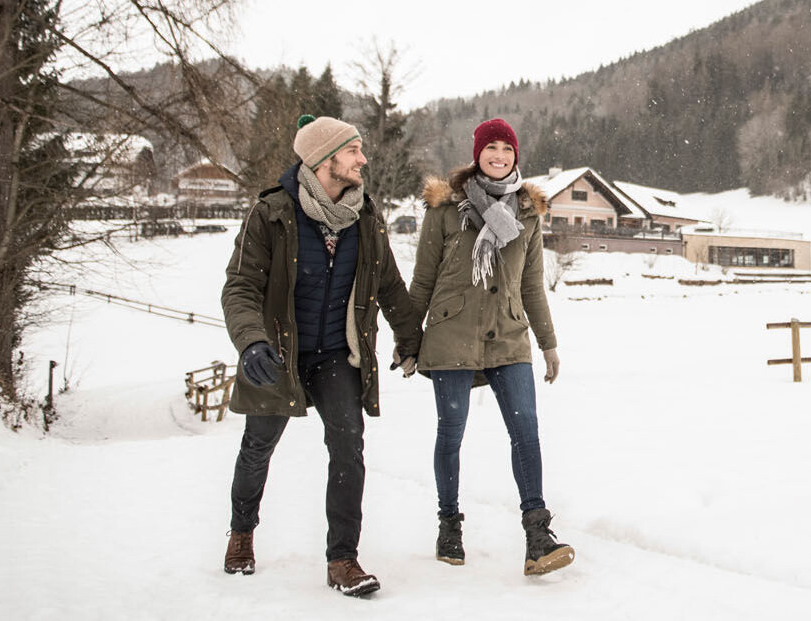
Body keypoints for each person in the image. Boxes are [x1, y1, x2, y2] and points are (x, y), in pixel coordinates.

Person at [220, 114, 421, 597]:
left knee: (349, 446)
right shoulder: (271, 213)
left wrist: (410, 337)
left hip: (336, 354)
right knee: (257, 447)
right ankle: (242, 532)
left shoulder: (365, 215)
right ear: (323, 159)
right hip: (278, 352)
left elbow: (389, 284)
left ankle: (342, 559)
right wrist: (251, 342)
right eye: (352, 150)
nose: (362, 159)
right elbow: (240, 286)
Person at [393, 117, 574, 576]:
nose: (499, 156)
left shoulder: (528, 213)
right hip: (450, 335)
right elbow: (423, 281)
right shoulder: (445, 210)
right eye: (491, 148)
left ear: (516, 156)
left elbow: (531, 285)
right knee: (451, 431)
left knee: (526, 430)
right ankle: (449, 524)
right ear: (477, 155)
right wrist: (407, 341)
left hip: (509, 336)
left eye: (507, 149)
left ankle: (537, 535)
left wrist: (548, 344)